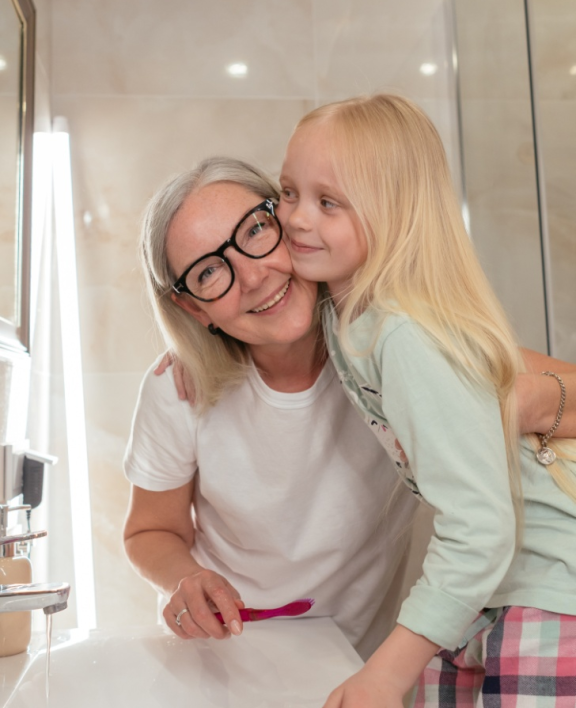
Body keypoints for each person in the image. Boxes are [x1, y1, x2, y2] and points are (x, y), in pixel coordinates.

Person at [123, 157, 574, 668]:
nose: (251, 276)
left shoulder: (396, 345)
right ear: (195, 309)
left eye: (254, 230)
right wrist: (186, 579)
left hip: (355, 663)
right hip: (223, 661)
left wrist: (520, 403)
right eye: (208, 272)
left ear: (291, 224)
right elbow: (149, 531)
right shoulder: (177, 390)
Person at [278, 93, 576, 708]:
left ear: (395, 213)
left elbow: (479, 525)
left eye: (329, 202)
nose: (296, 219)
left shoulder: (404, 332)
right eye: (288, 192)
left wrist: (386, 670)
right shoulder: (348, 313)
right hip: (484, 591)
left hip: (547, 590)